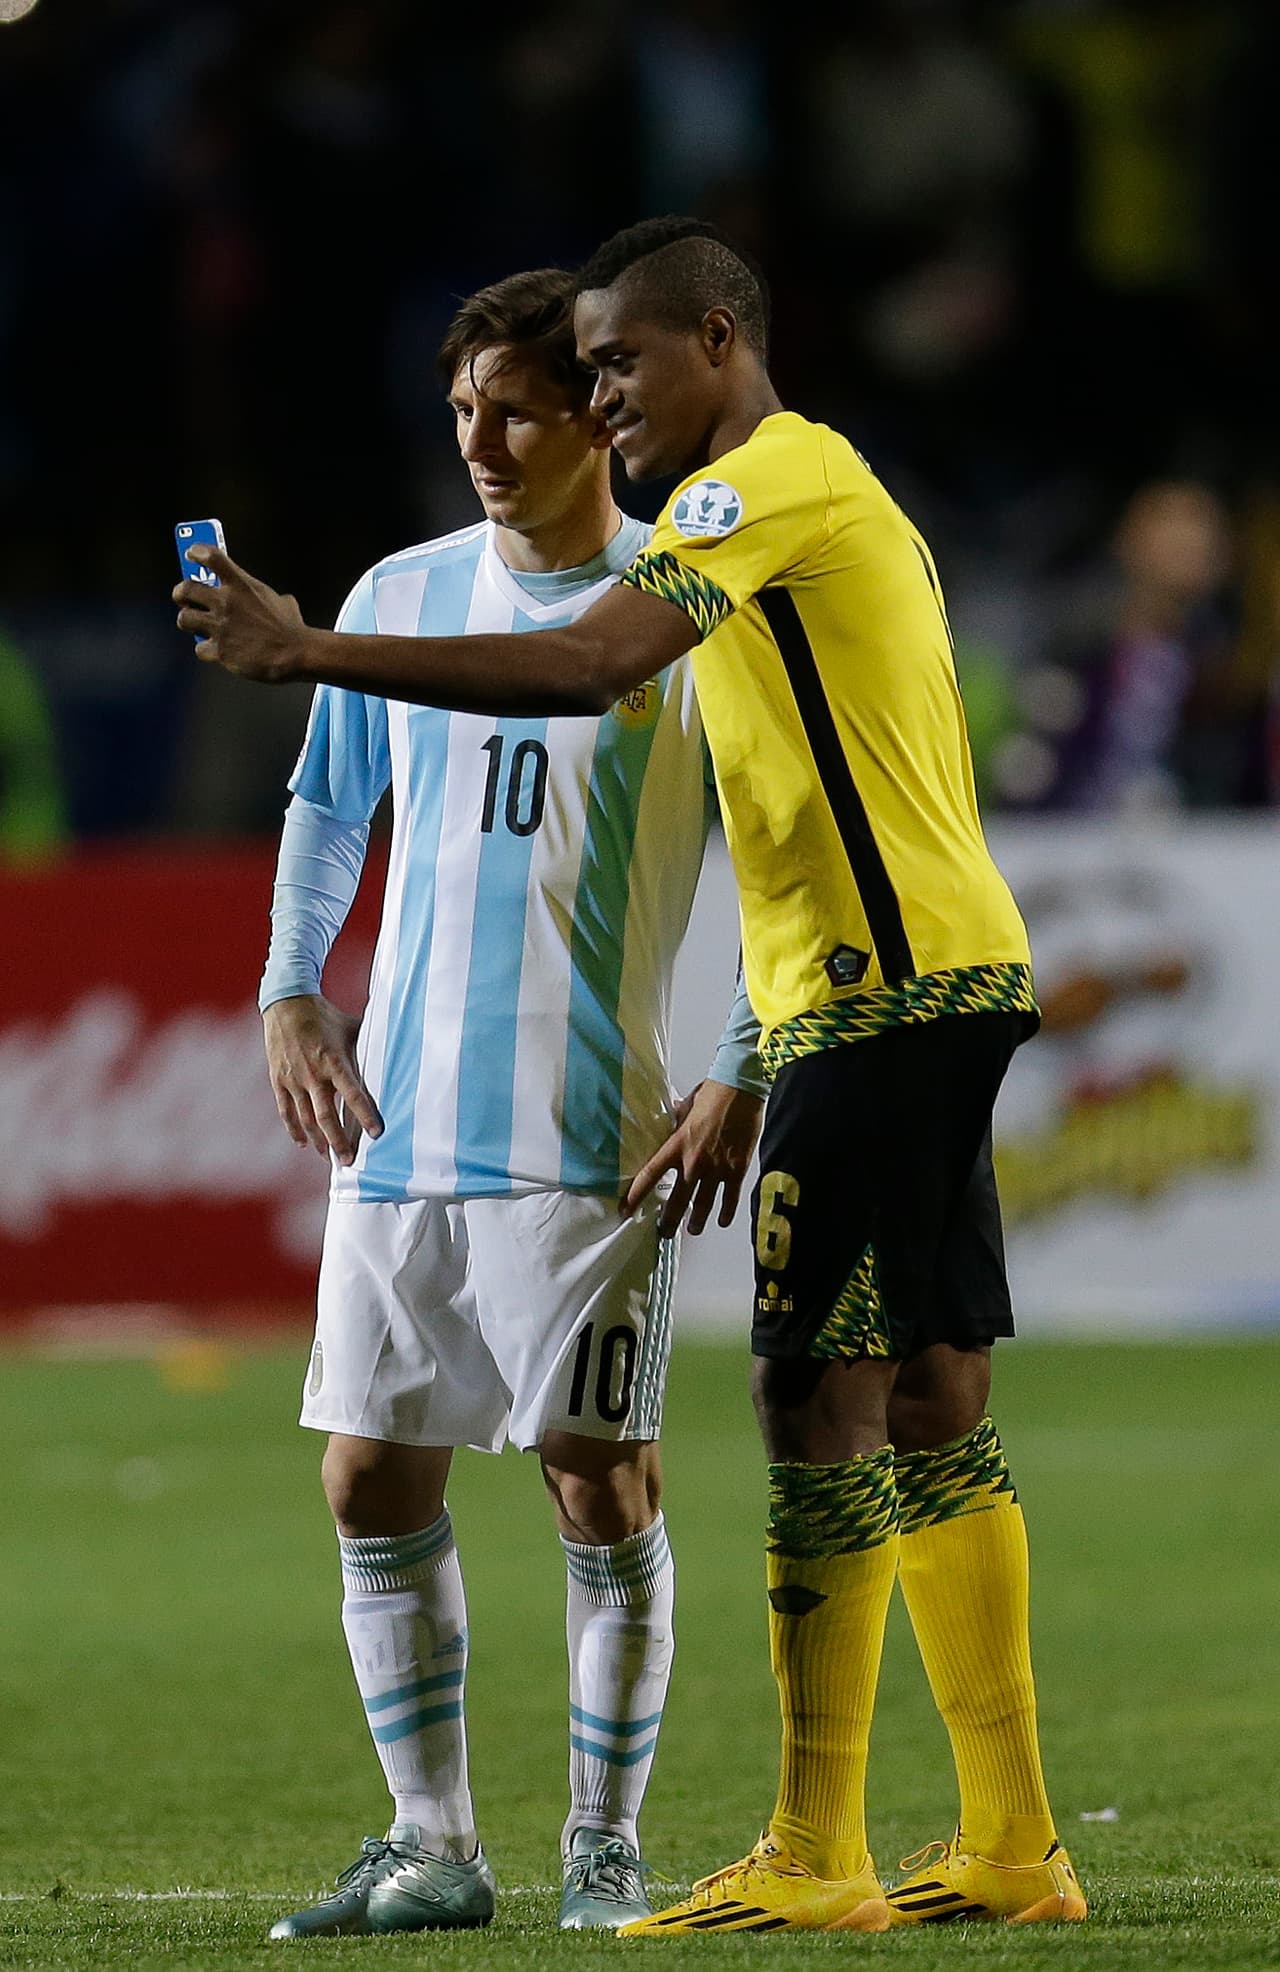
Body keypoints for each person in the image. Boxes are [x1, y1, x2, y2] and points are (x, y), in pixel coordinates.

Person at [175, 215, 1086, 1936]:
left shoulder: (743, 512)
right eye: (544, 383)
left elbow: (602, 674)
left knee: (810, 1407)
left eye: (605, 372)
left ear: (716, 345)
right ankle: (1011, 1841)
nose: (580, 408)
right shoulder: (669, 557)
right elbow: (770, 791)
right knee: (934, 1397)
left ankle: (796, 1850)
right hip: (861, 998)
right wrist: (293, 981)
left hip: (836, 1012)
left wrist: (302, 649)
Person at [248, 265, 766, 1940]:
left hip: (592, 1133)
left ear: (597, 418)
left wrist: (743, 1065)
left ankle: (603, 1844)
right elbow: (330, 809)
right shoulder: (398, 591)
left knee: (594, 1476)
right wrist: (290, 990)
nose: (479, 437)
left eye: (517, 406)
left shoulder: (681, 611)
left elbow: (787, 867)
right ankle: (433, 1842)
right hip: (397, 1122)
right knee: (367, 1479)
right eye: (463, 406)